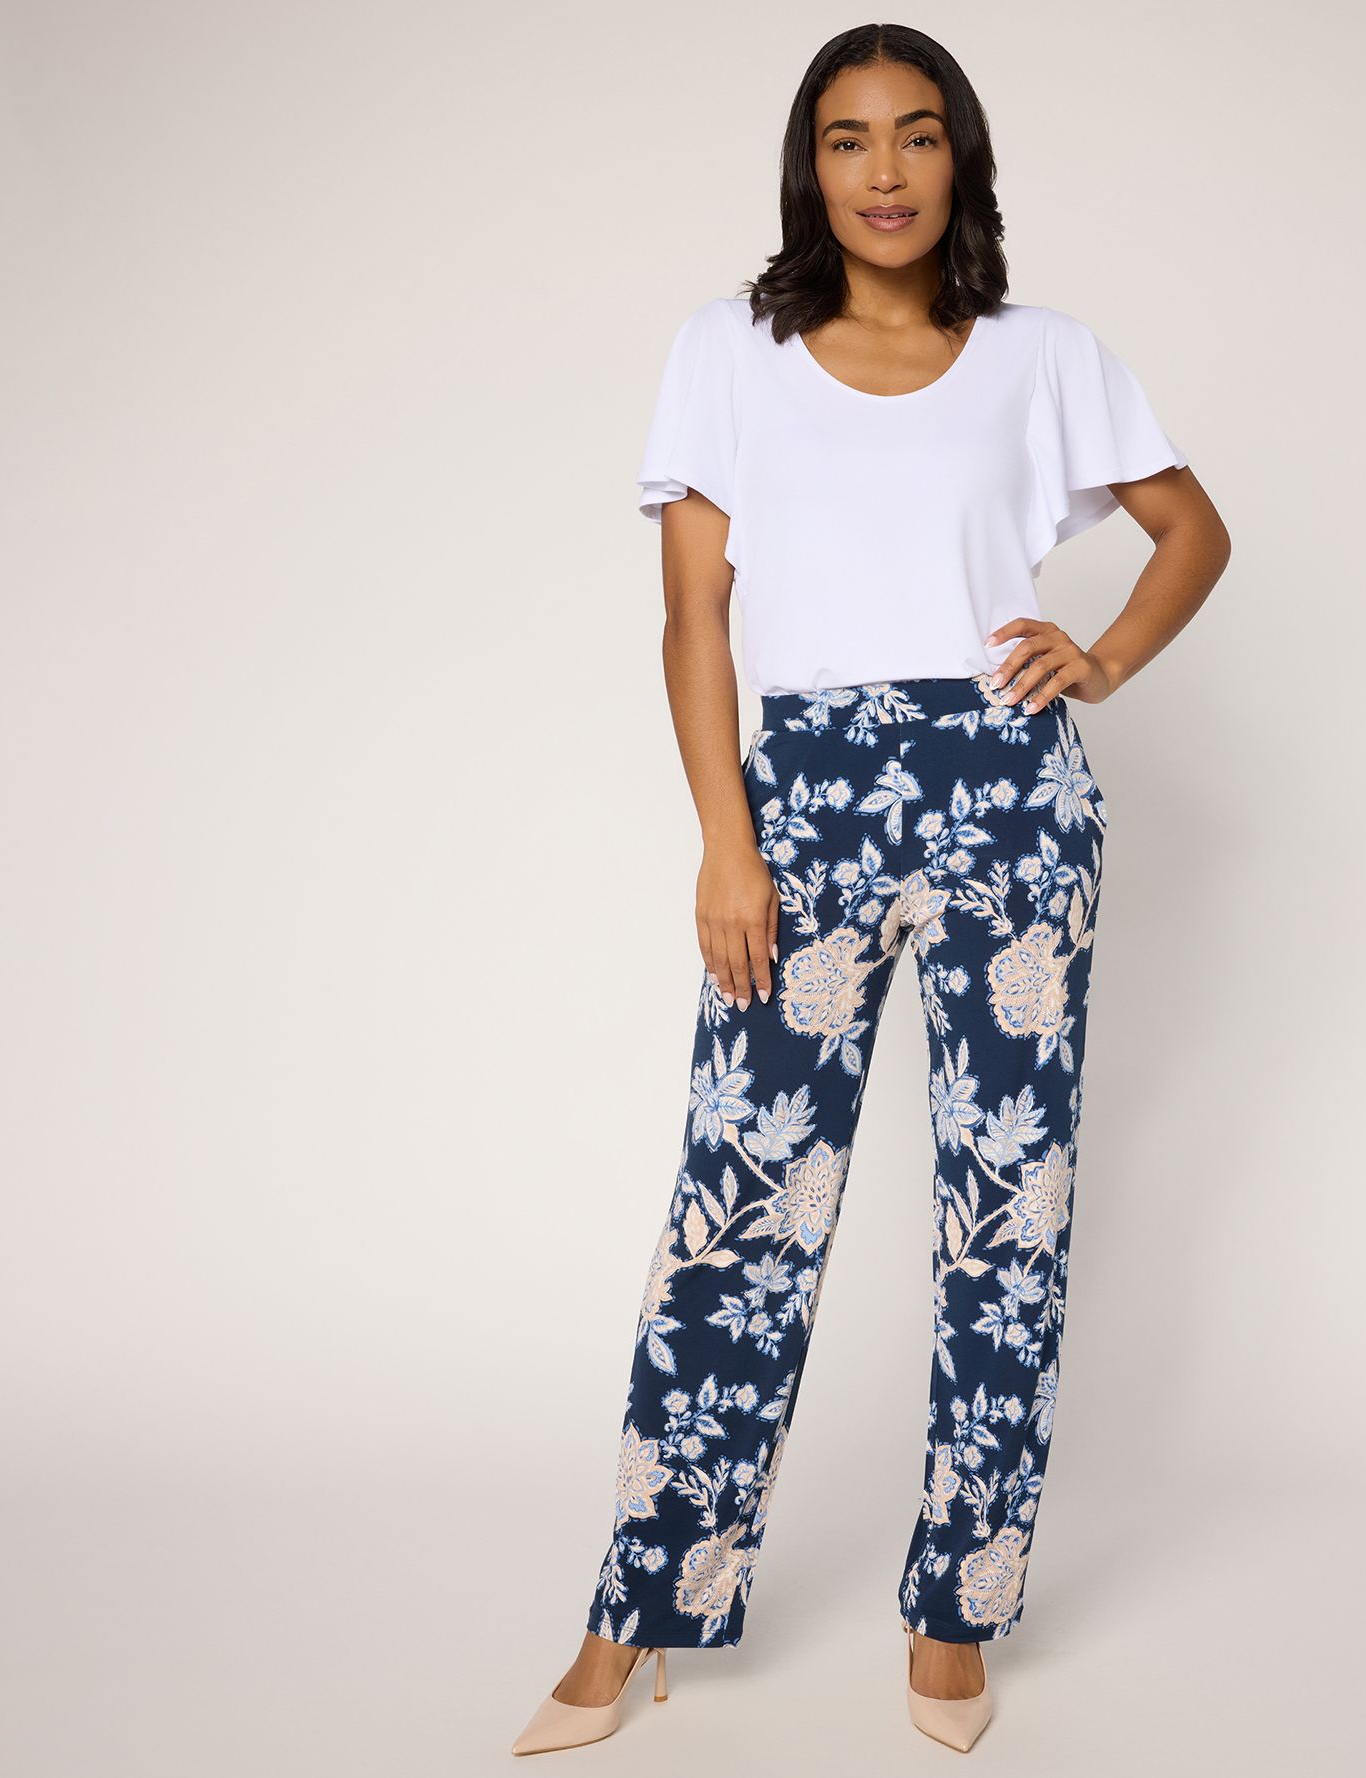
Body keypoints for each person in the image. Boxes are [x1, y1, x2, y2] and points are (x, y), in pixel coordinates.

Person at [512, 21, 1230, 1758]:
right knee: (743, 1209)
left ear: (960, 158)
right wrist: (727, 838)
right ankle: (641, 1605)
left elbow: (1194, 527)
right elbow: (694, 617)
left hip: (1009, 799)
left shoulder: (1043, 357)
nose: (886, 172)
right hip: (806, 803)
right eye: (849, 140)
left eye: (917, 135)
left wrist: (1103, 658)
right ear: (809, 166)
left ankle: (957, 1607)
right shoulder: (729, 353)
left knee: (1009, 1213)